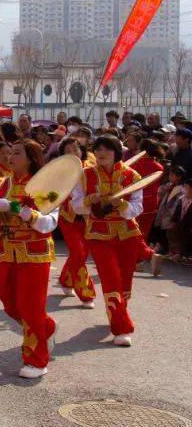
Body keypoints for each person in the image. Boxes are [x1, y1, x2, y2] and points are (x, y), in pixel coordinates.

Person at [0, 139, 60, 378]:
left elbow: (51, 222)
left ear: (30, 158)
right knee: (9, 304)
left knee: (30, 307)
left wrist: (29, 215)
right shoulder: (0, 183)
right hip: (7, 252)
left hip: (35, 254)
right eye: (9, 152)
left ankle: (36, 361)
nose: (10, 157)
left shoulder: (45, 186)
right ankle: (46, 327)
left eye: (17, 153)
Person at [70, 134, 159, 346]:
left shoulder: (132, 175)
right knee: (111, 278)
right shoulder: (85, 175)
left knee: (125, 282)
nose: (101, 153)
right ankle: (121, 327)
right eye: (98, 149)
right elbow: (76, 205)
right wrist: (92, 199)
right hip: (99, 235)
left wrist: (120, 204)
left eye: (107, 149)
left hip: (128, 235)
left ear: (117, 152)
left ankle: (118, 313)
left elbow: (138, 209)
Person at [54, 138, 95, 308]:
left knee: (81, 254)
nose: (72, 152)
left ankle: (65, 280)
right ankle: (86, 294)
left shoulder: (92, 166)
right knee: (78, 253)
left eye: (75, 148)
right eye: (68, 150)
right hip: (68, 217)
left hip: (89, 217)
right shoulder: (59, 171)